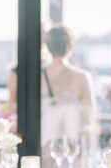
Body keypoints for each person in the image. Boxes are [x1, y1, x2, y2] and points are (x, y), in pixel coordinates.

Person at [40, 24, 95, 160]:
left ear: (47, 46)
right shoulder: (82, 77)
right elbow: (89, 116)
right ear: (70, 47)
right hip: (72, 148)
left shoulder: (37, 75)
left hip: (44, 146)